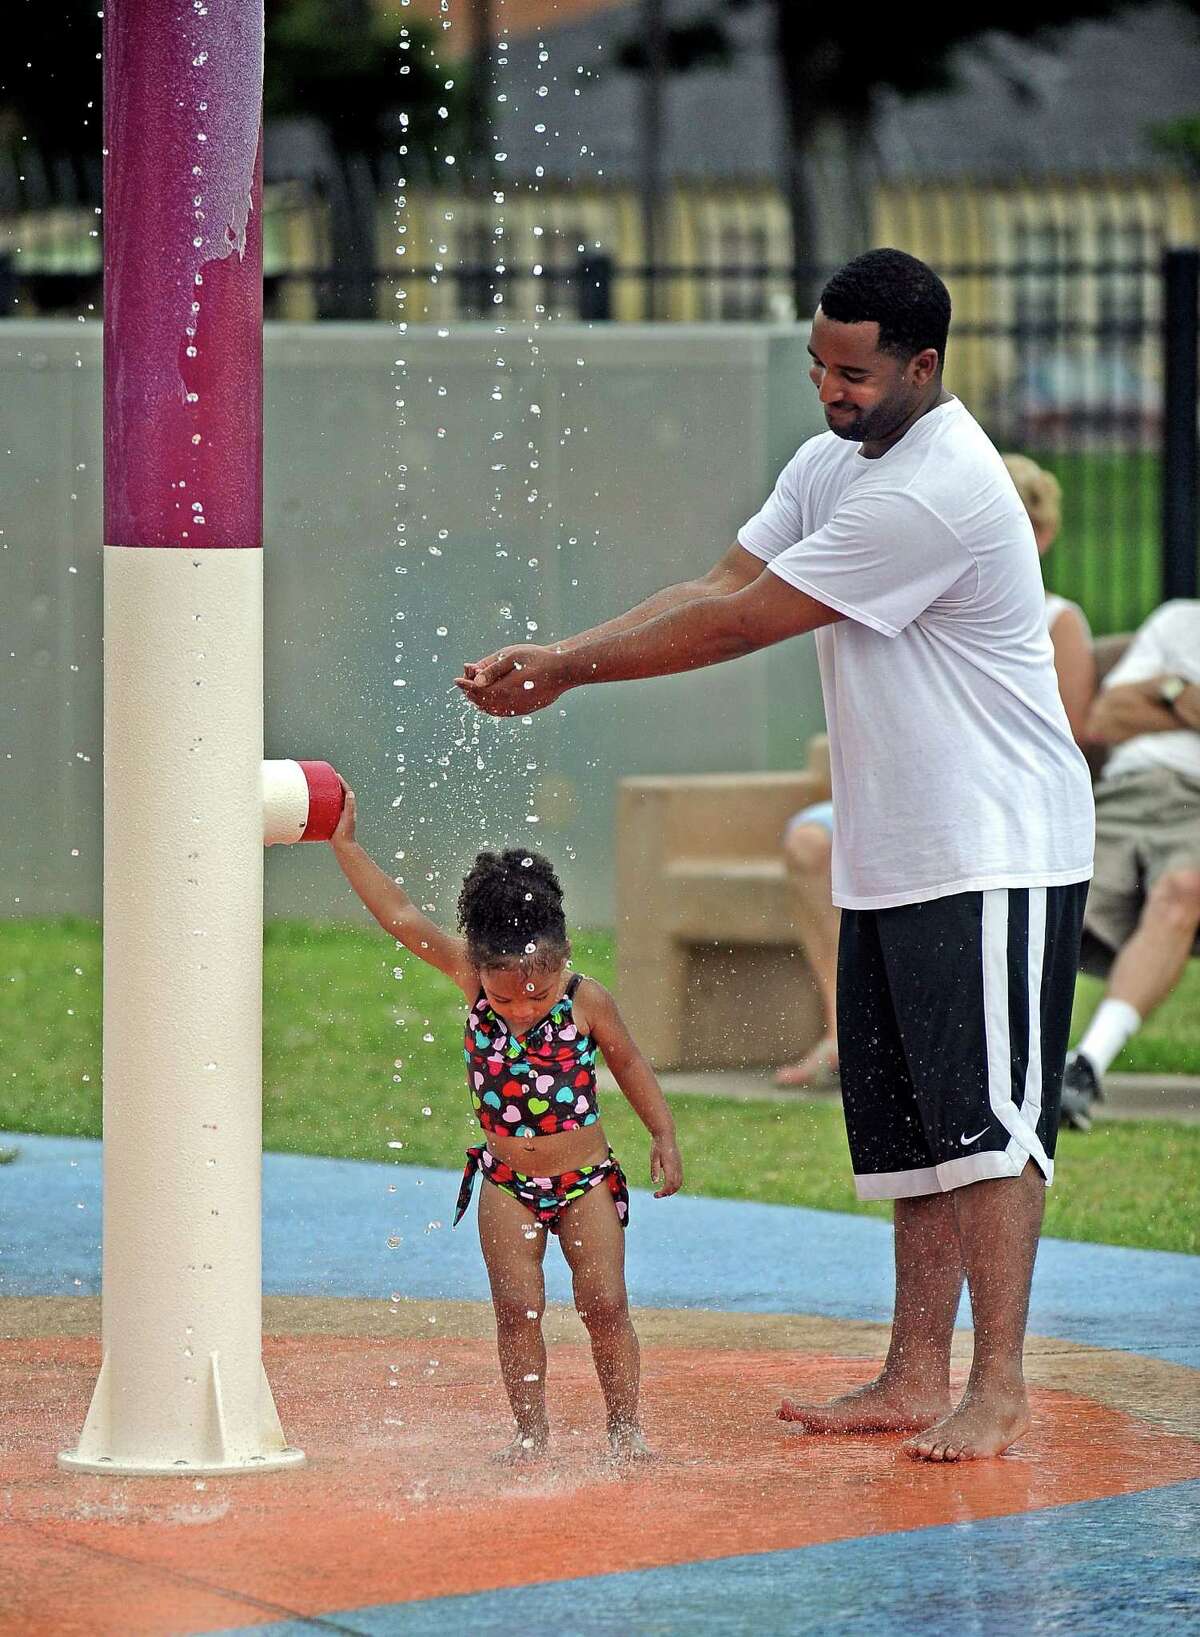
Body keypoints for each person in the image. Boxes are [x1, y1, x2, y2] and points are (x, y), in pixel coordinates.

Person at [457, 248, 1094, 1463]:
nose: (830, 390)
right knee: (913, 1130)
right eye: (817, 363)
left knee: (991, 1129)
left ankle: (997, 1385)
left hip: (996, 845)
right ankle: (915, 1374)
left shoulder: (939, 487)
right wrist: (565, 649)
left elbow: (746, 622)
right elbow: (721, 577)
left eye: (854, 372)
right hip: (895, 849)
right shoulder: (832, 467)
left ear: (924, 365)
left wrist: (569, 669)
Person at [328, 790, 683, 1459]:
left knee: (604, 1304)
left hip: (584, 1181)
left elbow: (630, 1063)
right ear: (478, 966)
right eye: (503, 996)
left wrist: (662, 1133)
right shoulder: (469, 973)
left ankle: (626, 1430)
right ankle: (529, 1434)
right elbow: (401, 916)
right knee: (517, 1312)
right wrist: (346, 845)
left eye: (538, 995)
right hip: (506, 1181)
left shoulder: (587, 999)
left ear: (564, 957)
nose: (521, 1008)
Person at [774, 452, 1097, 1089]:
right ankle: (848, 1032)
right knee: (811, 839)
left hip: (984, 804)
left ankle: (971, 1053)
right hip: (892, 796)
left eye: (1030, 522)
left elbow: (1067, 731)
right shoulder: (907, 582)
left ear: (1046, 533)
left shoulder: (1052, 618)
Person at [1059, 599, 1200, 1130]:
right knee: (1046, 897)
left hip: (1196, 807)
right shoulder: (1178, 620)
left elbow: (1128, 708)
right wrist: (1180, 694)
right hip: (1124, 796)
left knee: (1185, 888)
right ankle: (999, 1070)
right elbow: (1105, 716)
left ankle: (1085, 1067)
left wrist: (1163, 692)